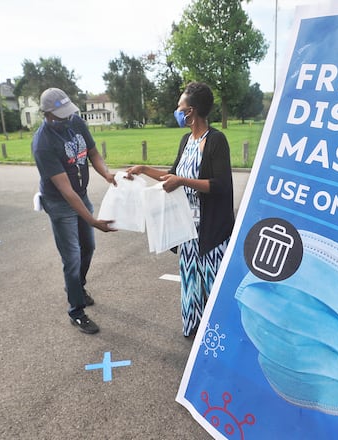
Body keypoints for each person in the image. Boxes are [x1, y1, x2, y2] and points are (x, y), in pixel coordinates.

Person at [126, 82, 235, 337]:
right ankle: (195, 331)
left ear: (191, 111)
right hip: (185, 229)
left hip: (210, 231)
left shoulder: (216, 141)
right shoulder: (186, 140)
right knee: (190, 283)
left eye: (180, 107)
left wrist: (183, 182)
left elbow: (221, 185)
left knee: (214, 284)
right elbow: (171, 177)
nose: (177, 111)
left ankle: (224, 335)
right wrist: (143, 169)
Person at [32, 87, 117, 334]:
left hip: (80, 194)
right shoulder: (43, 144)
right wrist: (93, 220)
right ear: (47, 115)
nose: (67, 119)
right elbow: (66, 191)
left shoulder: (76, 121)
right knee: (72, 257)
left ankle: (76, 286)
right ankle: (76, 311)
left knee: (88, 247)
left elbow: (92, 152)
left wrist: (107, 174)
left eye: (69, 113)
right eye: (61, 116)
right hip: (59, 202)